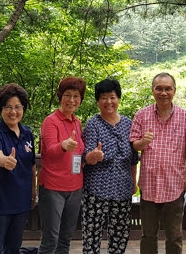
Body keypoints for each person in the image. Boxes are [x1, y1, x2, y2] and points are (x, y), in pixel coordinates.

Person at [130, 72, 186, 254]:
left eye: (168, 89)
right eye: (159, 88)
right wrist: (143, 142)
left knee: (174, 236)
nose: (163, 93)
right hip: (149, 185)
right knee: (148, 235)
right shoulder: (142, 115)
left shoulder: (185, 117)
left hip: (175, 185)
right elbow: (134, 145)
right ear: (153, 91)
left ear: (174, 91)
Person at [81, 78, 139, 254]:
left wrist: (133, 182)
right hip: (96, 189)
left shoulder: (129, 124)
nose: (109, 102)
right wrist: (93, 156)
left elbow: (133, 158)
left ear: (119, 98)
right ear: (98, 101)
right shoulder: (93, 124)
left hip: (122, 188)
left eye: (112, 97)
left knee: (120, 235)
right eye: (104, 98)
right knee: (92, 235)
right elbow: (86, 158)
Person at [0, 84, 37, 254]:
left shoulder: (28, 134)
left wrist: (33, 192)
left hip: (21, 200)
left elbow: (32, 164)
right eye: (8, 107)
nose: (13, 112)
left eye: (18, 107)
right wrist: (5, 161)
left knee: (13, 247)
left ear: (23, 109)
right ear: (1, 109)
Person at [38, 76, 86, 254]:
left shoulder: (77, 122)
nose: (72, 100)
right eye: (67, 95)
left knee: (66, 239)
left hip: (75, 187)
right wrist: (63, 146)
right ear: (60, 96)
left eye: (76, 96)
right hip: (53, 187)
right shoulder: (51, 121)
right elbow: (49, 150)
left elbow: (80, 152)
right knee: (50, 240)